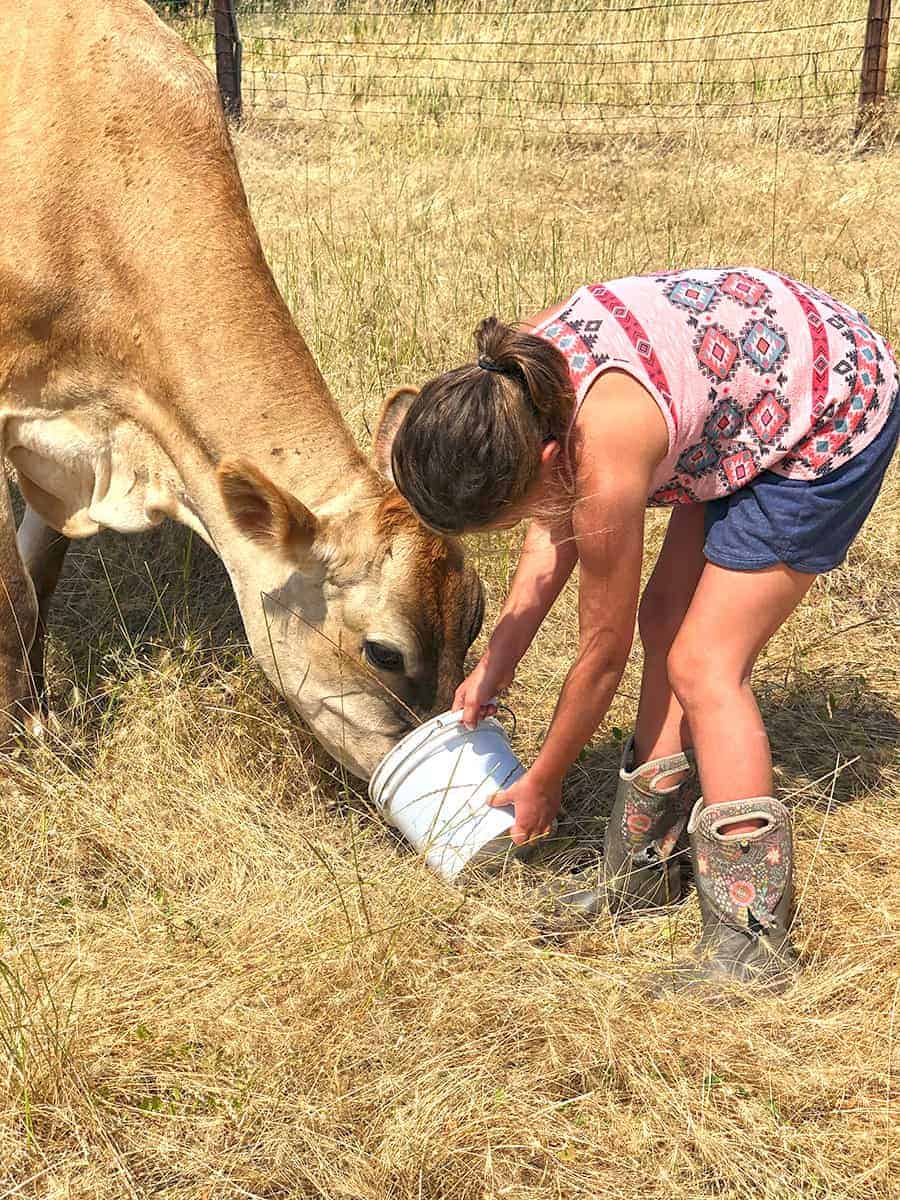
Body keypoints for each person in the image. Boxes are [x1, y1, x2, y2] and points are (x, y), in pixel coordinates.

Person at [378, 268, 899, 992]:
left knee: (705, 665)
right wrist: (496, 661)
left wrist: (543, 781)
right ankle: (645, 873)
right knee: (665, 617)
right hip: (745, 395)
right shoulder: (514, 390)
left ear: (549, 462)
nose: (522, 525)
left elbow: (600, 656)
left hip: (829, 408)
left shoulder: (605, 451)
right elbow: (545, 537)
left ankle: (753, 945)